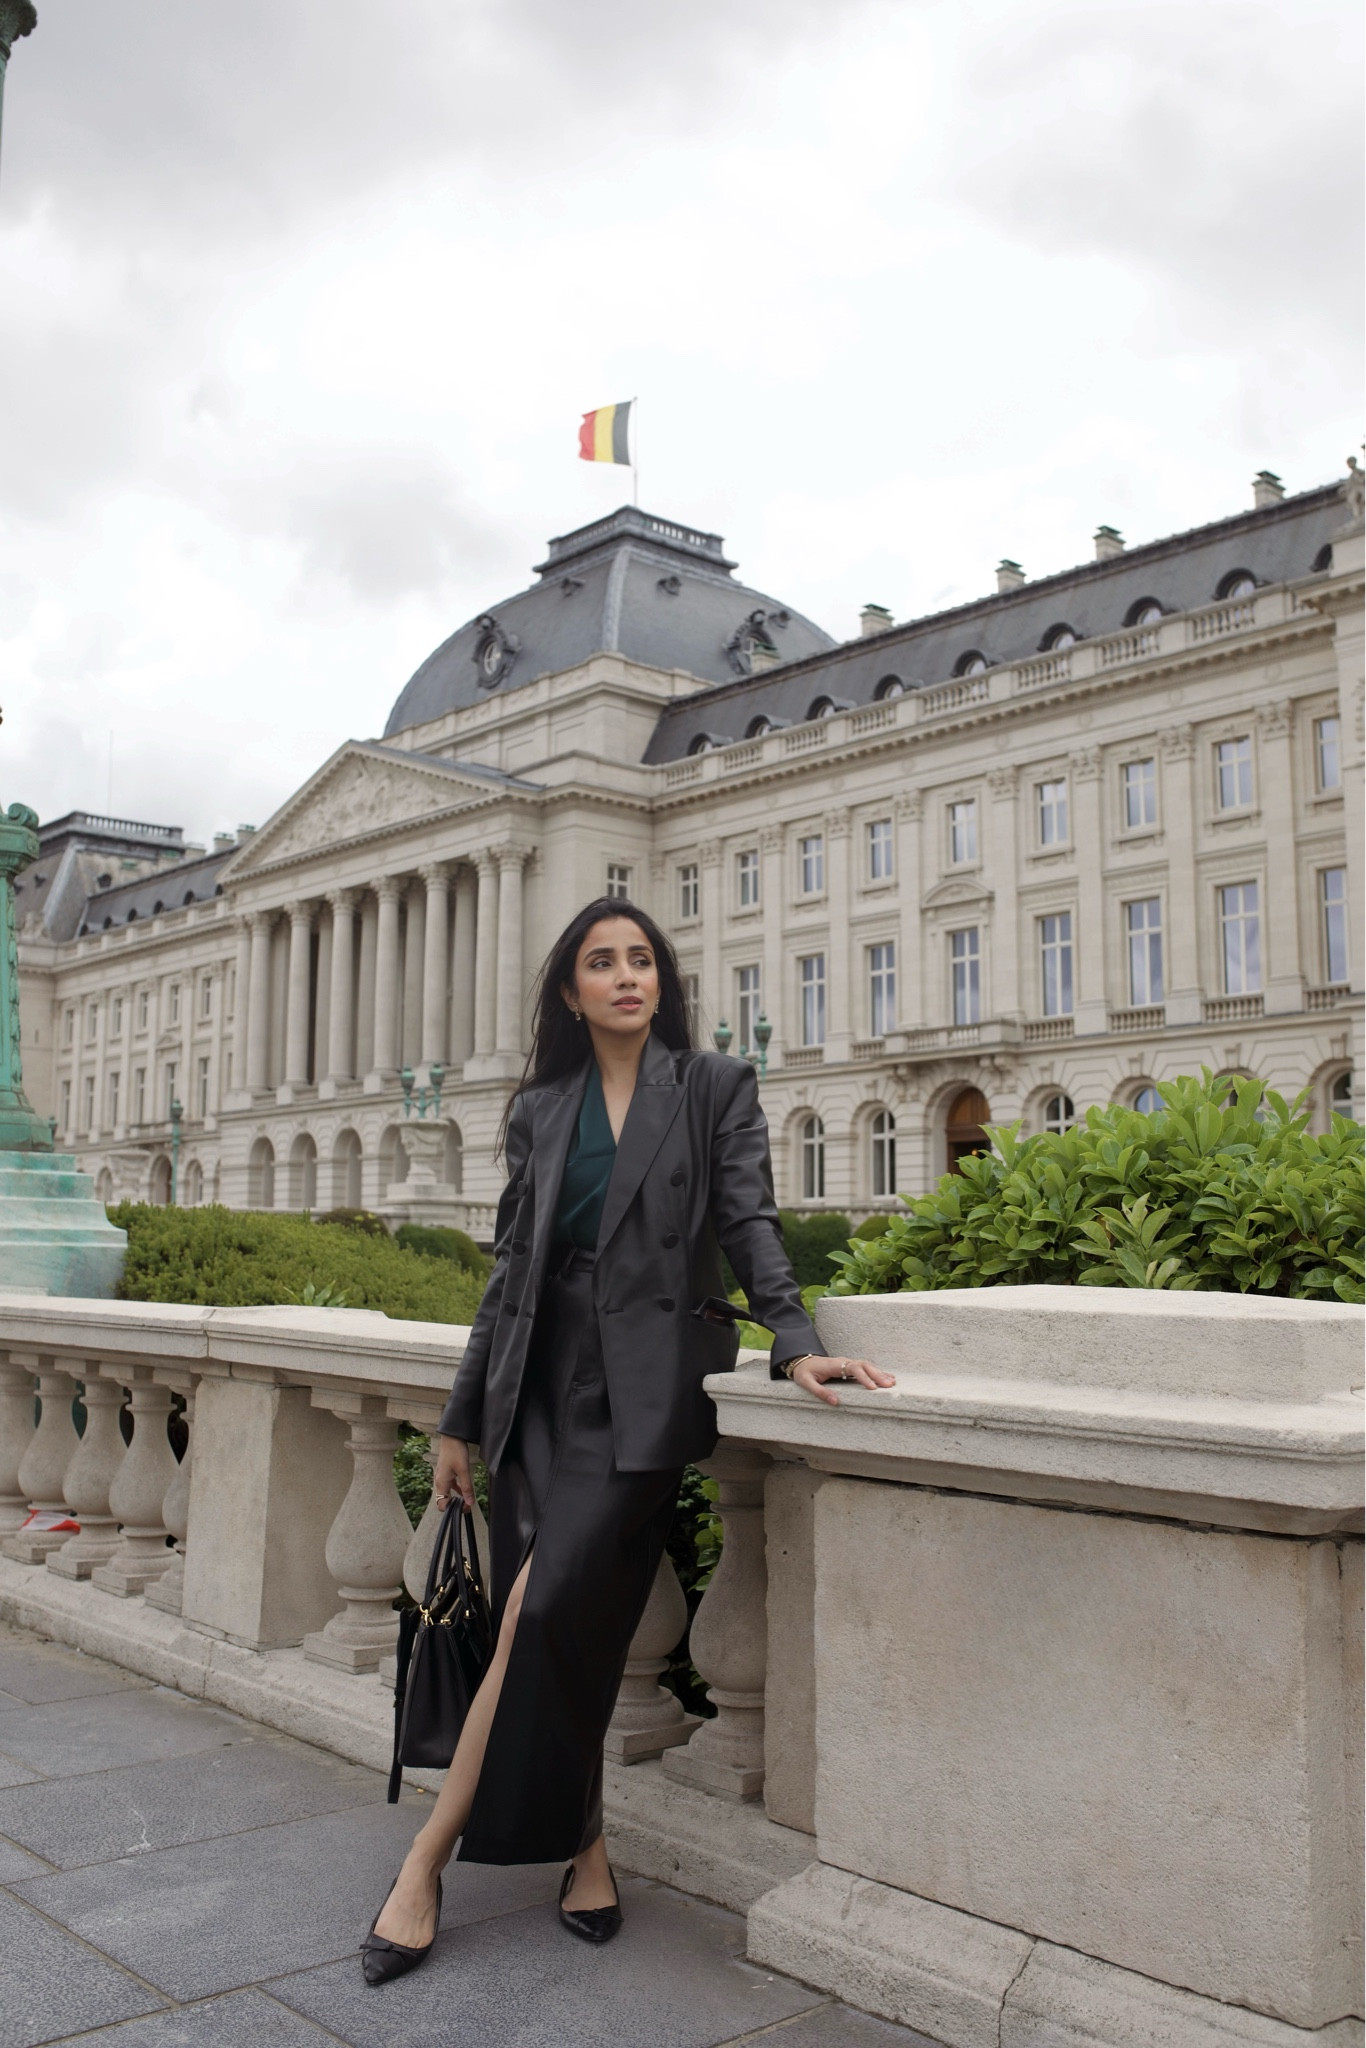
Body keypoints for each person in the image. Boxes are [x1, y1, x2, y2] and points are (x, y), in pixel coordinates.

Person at [362, 896, 894, 1983]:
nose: (624, 976)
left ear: (662, 978)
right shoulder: (541, 1108)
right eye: (600, 962)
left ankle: (424, 1861)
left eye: (640, 958)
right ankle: (587, 1848)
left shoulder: (711, 1088)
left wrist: (794, 1339)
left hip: (644, 1394)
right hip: (539, 1386)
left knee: (541, 1612)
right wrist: (463, 1414)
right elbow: (509, 1269)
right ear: (570, 990)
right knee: (564, 1638)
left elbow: (749, 1222)